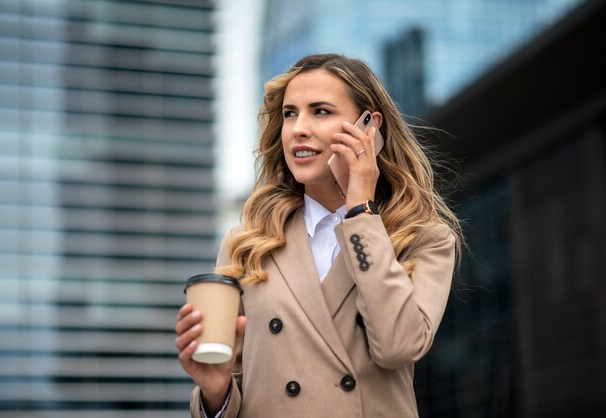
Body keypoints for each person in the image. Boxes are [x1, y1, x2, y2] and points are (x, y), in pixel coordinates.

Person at [175, 53, 462, 417]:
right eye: (290, 114)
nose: (298, 129)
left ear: (369, 127)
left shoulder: (423, 238)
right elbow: (230, 382)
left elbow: (398, 346)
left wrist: (360, 210)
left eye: (321, 111)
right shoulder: (246, 244)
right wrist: (215, 394)